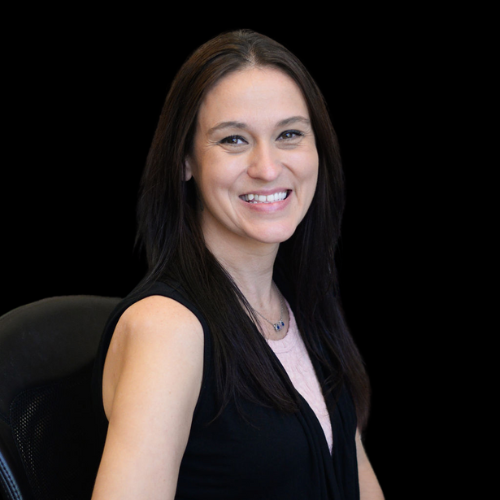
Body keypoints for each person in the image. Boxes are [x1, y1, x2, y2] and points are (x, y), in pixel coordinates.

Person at [91, 29, 384, 500]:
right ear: (186, 160)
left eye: (289, 134)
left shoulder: (300, 306)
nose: (267, 168)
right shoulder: (168, 329)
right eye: (233, 140)